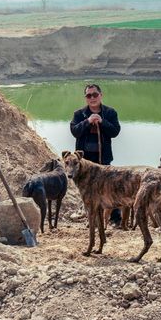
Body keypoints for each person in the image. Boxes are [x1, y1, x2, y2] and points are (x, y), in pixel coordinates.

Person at [70, 83, 122, 226]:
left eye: (95, 94)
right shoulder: (79, 114)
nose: (92, 98)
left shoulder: (110, 113)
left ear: (101, 95)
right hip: (85, 160)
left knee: (109, 186)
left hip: (103, 157)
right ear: (85, 98)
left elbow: (115, 132)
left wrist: (102, 121)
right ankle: (92, 218)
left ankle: (115, 218)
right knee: (87, 190)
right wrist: (87, 121)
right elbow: (75, 131)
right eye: (89, 95)